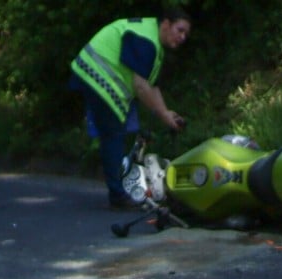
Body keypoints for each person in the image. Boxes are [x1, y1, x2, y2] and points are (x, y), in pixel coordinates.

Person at [70, 8, 192, 209]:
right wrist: (162, 114)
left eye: (186, 34)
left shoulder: (153, 42)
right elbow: (141, 86)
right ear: (166, 24)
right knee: (113, 135)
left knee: (124, 133)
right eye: (180, 30)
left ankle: (125, 184)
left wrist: (166, 113)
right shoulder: (147, 41)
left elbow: (152, 86)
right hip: (97, 77)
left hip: (97, 77)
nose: (182, 37)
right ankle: (118, 195)